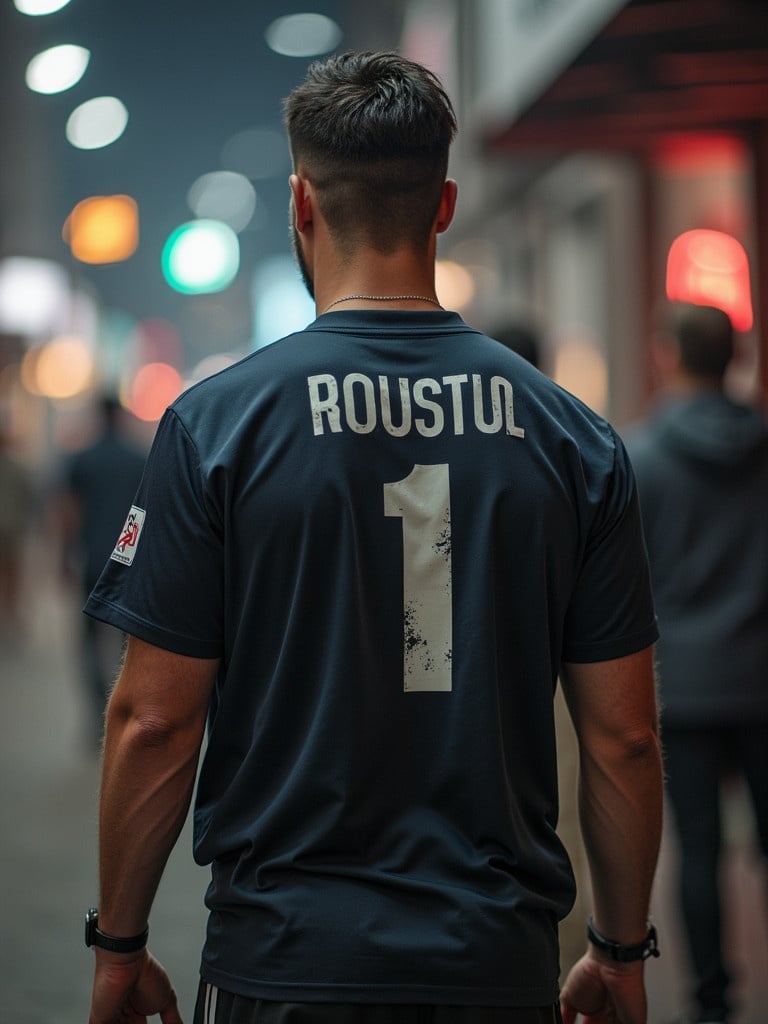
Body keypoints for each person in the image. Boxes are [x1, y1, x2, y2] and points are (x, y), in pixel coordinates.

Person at [84, 52, 663, 1024]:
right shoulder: (571, 437)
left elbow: (154, 719)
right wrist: (618, 950)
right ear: (442, 205)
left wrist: (120, 948)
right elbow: (626, 735)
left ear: (301, 204)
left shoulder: (218, 425)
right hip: (494, 959)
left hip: (284, 957)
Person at [625, 302, 768, 1024]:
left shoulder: (640, 458)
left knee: (699, 851)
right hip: (762, 678)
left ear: (668, 356)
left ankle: (713, 1003)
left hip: (682, 683)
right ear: (733, 359)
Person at [59, 395, 147, 744]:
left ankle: (98, 715)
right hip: (130, 563)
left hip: (93, 558)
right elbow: (146, 515)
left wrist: (63, 557)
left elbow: (68, 512)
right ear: (121, 415)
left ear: (99, 415)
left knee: (88, 639)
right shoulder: (138, 460)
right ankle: (125, 715)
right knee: (132, 643)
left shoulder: (83, 459)